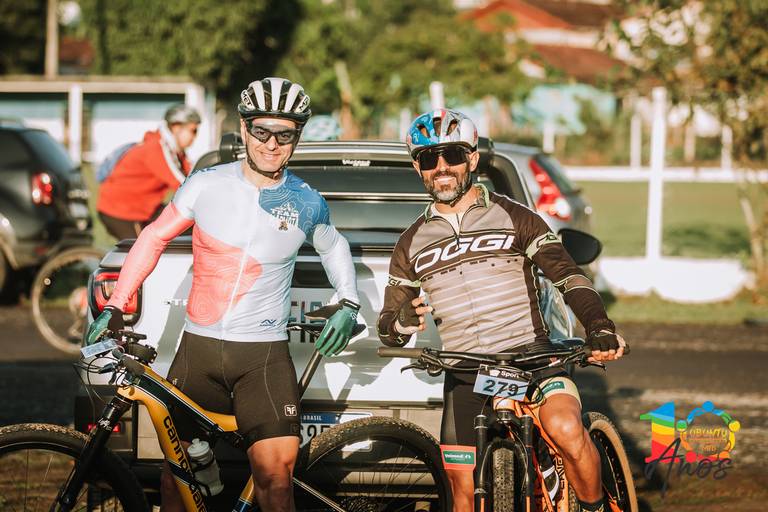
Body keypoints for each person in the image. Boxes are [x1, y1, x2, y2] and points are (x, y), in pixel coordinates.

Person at [86, 77, 360, 512]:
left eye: (285, 134)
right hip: (199, 351)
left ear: (298, 136)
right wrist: (117, 303)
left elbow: (334, 246)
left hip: (262, 357)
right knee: (176, 483)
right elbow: (154, 237)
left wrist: (349, 301)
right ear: (244, 128)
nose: (272, 144)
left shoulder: (306, 201)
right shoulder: (206, 183)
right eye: (262, 131)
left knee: (276, 482)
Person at [377, 109, 628, 512]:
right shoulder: (410, 243)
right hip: (466, 371)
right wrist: (402, 321)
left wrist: (599, 326)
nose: (441, 168)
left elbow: (568, 276)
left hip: (533, 359)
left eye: (452, 155)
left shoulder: (515, 216)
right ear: (417, 168)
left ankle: (595, 507)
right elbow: (388, 326)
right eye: (428, 159)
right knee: (462, 489)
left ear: (472, 159)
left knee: (566, 429)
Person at [96, 103, 201, 240]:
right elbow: (182, 183)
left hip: (147, 208)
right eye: (193, 130)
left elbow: (193, 175)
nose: (195, 136)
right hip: (121, 211)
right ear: (176, 127)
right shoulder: (156, 148)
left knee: (188, 223)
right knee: (142, 250)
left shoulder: (176, 152)